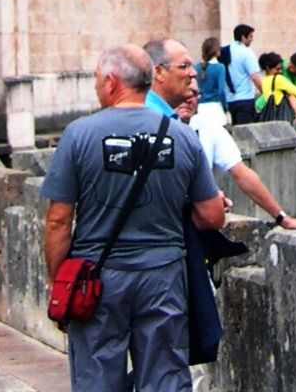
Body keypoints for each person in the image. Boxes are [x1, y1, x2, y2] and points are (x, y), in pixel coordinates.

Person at [42, 44, 227, 392]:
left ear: (112, 82)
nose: (98, 88)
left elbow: (58, 221)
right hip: (163, 276)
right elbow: (212, 215)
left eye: (98, 81)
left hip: (98, 277)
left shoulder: (79, 135)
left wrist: (60, 281)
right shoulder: (182, 136)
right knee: (164, 376)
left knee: (97, 375)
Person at [178, 81, 296, 230]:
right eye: (182, 93)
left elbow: (242, 174)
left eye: (194, 94)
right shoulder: (154, 126)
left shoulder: (207, 127)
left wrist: (282, 217)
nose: (188, 99)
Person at [222, 24, 265, 126]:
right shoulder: (247, 53)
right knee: (245, 133)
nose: (252, 39)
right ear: (243, 37)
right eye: (250, 36)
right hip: (245, 99)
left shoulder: (225, 51)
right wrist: (264, 92)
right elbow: (255, 77)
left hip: (230, 99)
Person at [252, 52, 296, 124]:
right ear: (268, 68)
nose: (280, 71)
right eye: (277, 69)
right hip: (279, 114)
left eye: (281, 69)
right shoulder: (279, 79)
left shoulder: (265, 80)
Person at [196, 36, 233, 123]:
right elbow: (221, 91)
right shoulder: (220, 67)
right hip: (215, 107)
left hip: (201, 107)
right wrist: (226, 109)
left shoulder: (198, 66)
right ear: (216, 50)